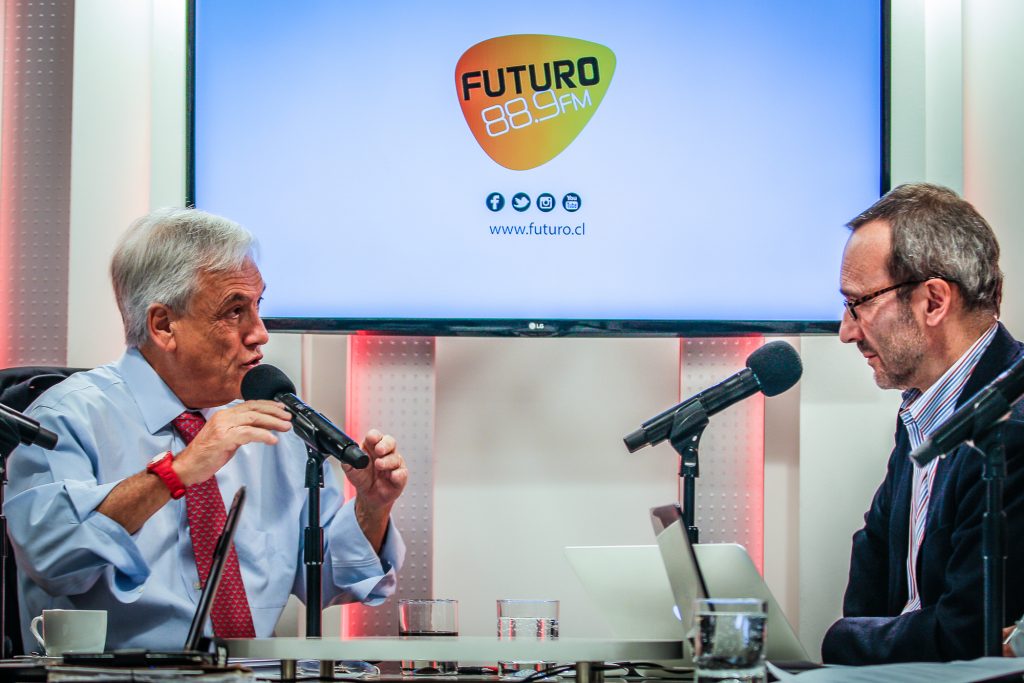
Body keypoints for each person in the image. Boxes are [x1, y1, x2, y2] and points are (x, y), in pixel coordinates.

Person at [4, 208, 407, 650]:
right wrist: (177, 472)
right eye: (234, 312)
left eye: (257, 307)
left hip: (253, 675)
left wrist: (372, 508)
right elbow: (54, 559)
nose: (260, 333)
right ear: (163, 325)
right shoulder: (66, 418)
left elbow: (330, 579)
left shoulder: (270, 424)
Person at [821, 183, 1024, 664]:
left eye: (859, 303)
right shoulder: (921, 408)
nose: (847, 331)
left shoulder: (1011, 430)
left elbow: (966, 634)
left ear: (933, 301)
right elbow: (871, 570)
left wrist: (845, 641)